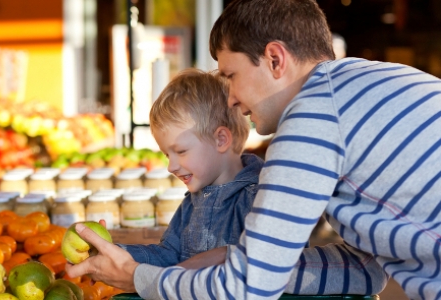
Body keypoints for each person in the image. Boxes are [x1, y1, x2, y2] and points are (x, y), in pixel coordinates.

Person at [67, 0, 441, 299]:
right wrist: (238, 259)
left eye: (230, 76)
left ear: (275, 59)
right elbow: (366, 269)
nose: (229, 99)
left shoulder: (313, 116)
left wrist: (139, 278)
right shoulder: (372, 81)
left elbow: (246, 288)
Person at [119, 69, 263, 267]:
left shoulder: (259, 198)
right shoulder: (191, 203)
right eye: (167, 155)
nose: (171, 166)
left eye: (181, 151)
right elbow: (168, 255)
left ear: (220, 139)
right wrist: (116, 253)